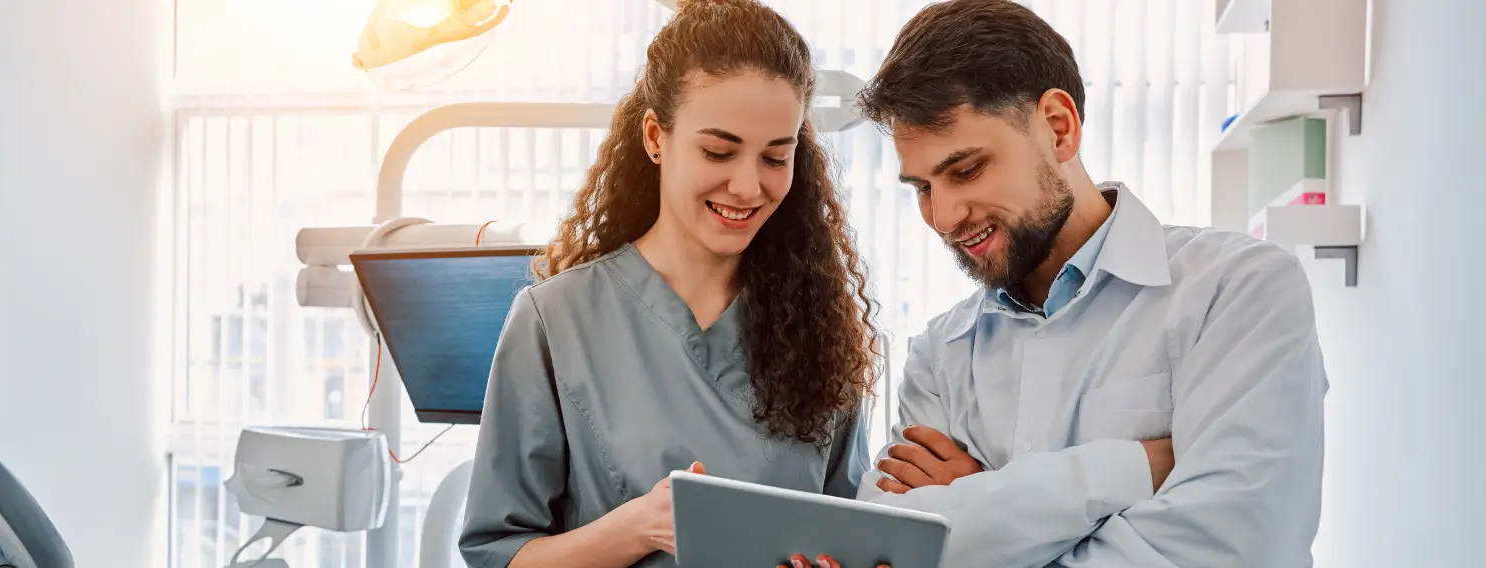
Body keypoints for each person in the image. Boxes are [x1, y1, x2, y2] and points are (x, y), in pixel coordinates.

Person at [785, 1, 1328, 567]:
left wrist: (983, 504)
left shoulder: (1239, 292)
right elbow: (897, 552)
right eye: (921, 187)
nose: (943, 217)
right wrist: (1126, 470)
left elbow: (1229, 550)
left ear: (1058, 128)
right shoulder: (939, 358)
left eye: (965, 170)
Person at [457, 1, 882, 567]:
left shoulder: (822, 331)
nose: (748, 186)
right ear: (656, 137)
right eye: (718, 151)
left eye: (776, 157)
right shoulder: (556, 320)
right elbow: (496, 555)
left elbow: (852, 534)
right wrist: (640, 528)